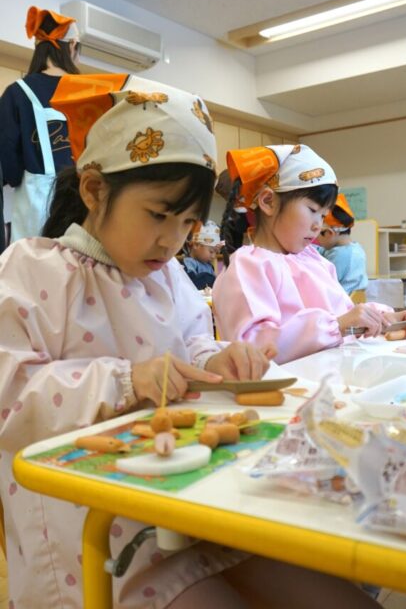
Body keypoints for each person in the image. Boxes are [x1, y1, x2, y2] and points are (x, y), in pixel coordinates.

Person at [0, 75, 382, 609]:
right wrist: (125, 380)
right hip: (96, 533)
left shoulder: (170, 277)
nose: (172, 240)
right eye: (158, 215)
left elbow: (193, 346)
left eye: (187, 223)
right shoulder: (33, 269)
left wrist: (221, 359)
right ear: (94, 190)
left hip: (192, 501)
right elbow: (11, 393)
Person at [213, 144, 406, 365]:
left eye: (323, 216)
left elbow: (344, 313)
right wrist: (337, 326)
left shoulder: (313, 260)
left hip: (331, 375)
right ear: (268, 201)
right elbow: (254, 348)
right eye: (312, 210)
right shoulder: (249, 266)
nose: (317, 226)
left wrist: (383, 318)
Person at [0, 5, 80, 242]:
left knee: (32, 261)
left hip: (33, 204)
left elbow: (9, 163)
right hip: (82, 200)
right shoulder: (88, 91)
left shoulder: (17, 93)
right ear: (72, 45)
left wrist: (18, 177)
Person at [316, 192, 368, 294]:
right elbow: (321, 251)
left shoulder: (339, 255)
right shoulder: (355, 248)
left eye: (317, 234)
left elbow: (326, 282)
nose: (317, 240)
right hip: (355, 299)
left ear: (329, 233)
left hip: (342, 300)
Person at [183, 220, 223, 289]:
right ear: (196, 245)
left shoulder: (209, 266)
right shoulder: (189, 263)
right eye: (211, 251)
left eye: (216, 252)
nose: (213, 256)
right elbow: (192, 282)